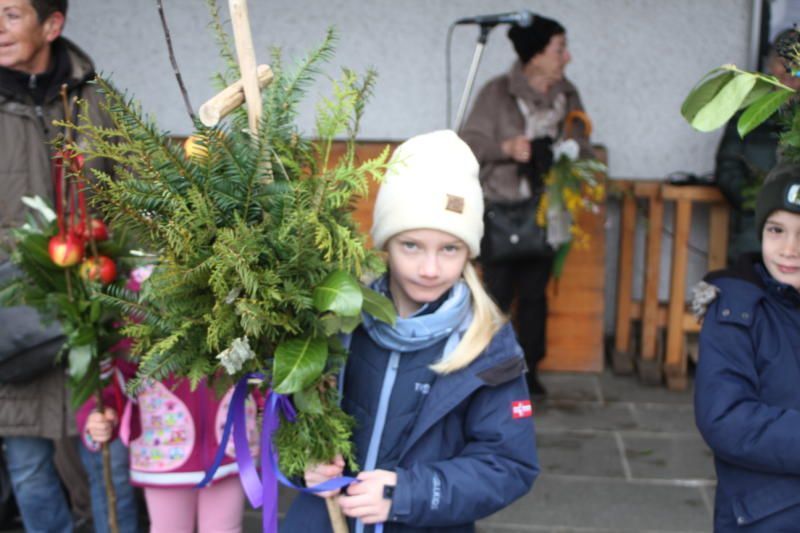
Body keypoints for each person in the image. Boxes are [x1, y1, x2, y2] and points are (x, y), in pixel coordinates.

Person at [281, 130, 539, 532]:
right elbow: (285, 416)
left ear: (469, 251)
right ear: (386, 242)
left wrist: (409, 493)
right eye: (412, 246)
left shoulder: (486, 344)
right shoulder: (336, 318)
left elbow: (509, 464)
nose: (430, 268)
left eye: (449, 248)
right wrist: (303, 463)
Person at [0, 1, 137, 531]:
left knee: (109, 462)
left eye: (11, 14)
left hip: (95, 310)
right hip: (13, 319)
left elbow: (134, 201)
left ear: (52, 24)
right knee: (29, 466)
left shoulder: (97, 103)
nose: (0, 27)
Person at [460, 15, 592, 399]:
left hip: (548, 212)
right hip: (501, 211)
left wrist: (564, 155)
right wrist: (506, 149)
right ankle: (489, 372)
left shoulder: (568, 95)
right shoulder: (496, 93)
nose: (566, 57)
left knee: (535, 295)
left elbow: (583, 143)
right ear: (535, 54)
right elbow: (468, 142)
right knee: (495, 295)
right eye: (559, 49)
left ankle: (530, 371)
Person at [83, 265, 261, 533]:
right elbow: (120, 367)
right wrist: (100, 412)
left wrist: (267, 402)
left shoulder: (240, 274)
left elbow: (261, 356)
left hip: (230, 442)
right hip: (164, 445)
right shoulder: (140, 288)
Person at [694, 163, 800, 531]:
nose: (789, 249)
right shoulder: (735, 309)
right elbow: (725, 418)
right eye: (776, 230)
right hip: (767, 517)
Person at [714, 28, 800, 264]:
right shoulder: (749, 112)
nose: (790, 75)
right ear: (770, 66)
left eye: (798, 66)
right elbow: (727, 167)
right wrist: (760, 203)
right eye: (784, 63)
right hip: (752, 232)